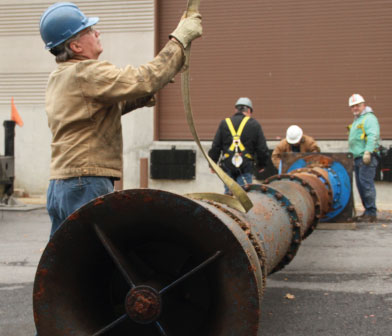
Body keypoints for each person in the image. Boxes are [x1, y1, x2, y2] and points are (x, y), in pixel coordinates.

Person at [39, 2, 202, 238]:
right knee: (97, 258)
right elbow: (142, 79)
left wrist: (161, 78)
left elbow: (116, 103)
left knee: (69, 263)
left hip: (63, 184)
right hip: (86, 181)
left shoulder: (60, 77)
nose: (97, 33)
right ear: (75, 45)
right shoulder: (87, 72)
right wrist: (179, 40)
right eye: (89, 31)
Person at [208, 97, 269, 194]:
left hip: (227, 164)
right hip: (245, 166)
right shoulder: (254, 125)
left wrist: (212, 164)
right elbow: (261, 148)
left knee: (229, 195)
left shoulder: (224, 123)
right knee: (244, 194)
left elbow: (216, 146)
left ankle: (228, 208)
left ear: (235, 110)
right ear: (249, 110)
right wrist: (261, 164)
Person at [348, 94, 380, 222]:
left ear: (364, 105)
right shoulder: (358, 120)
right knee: (361, 186)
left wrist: (368, 151)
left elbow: (373, 135)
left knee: (366, 185)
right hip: (358, 158)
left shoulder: (369, 118)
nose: (355, 108)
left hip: (366, 158)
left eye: (358, 105)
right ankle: (367, 211)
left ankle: (371, 212)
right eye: (353, 106)